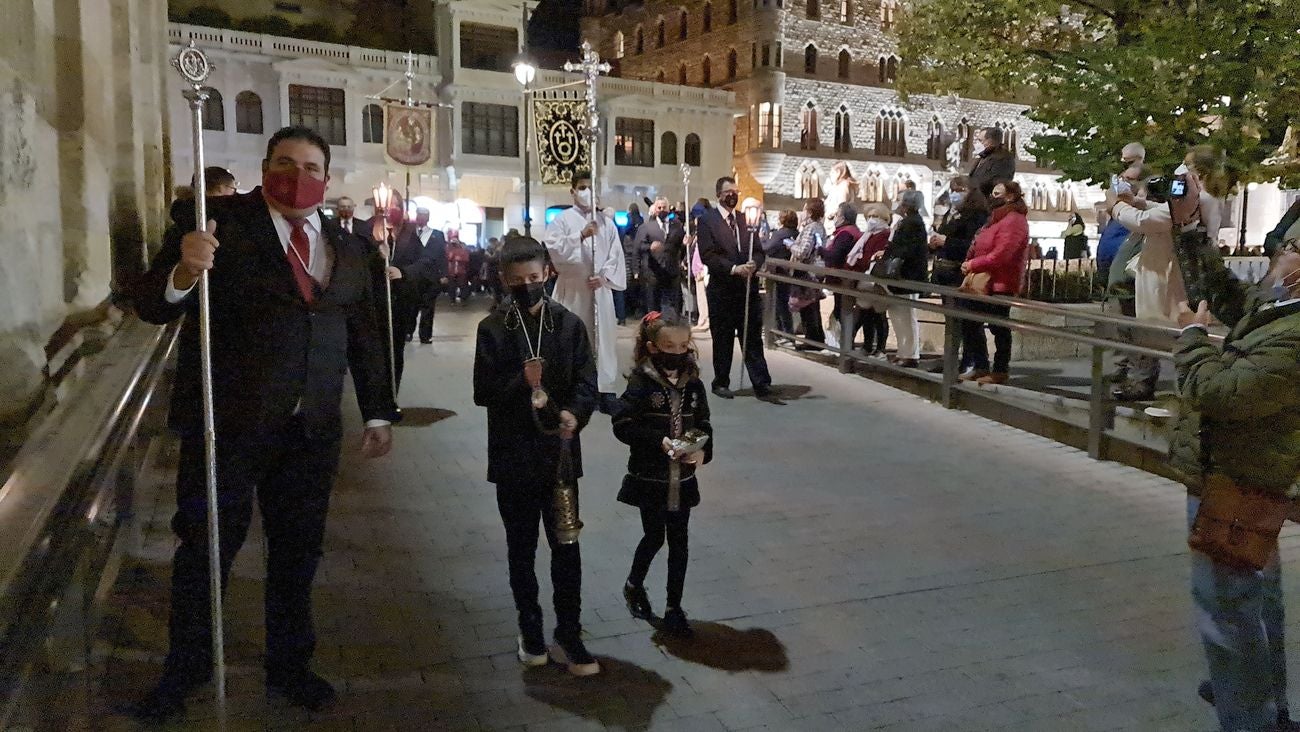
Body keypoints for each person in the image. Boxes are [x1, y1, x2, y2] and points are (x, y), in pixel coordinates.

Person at [131, 126, 398, 721]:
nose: (296, 175)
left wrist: (378, 411)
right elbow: (150, 304)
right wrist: (183, 270)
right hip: (227, 426)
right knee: (206, 550)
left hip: (310, 433)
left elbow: (366, 339)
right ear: (265, 166)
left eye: (310, 166)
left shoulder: (349, 248)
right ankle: (187, 670)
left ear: (326, 179)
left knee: (298, 554)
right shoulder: (216, 224)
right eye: (284, 162)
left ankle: (290, 665)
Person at [1168, 232, 1300, 732]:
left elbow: (1223, 393)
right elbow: (1224, 291)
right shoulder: (1281, 306)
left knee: (1226, 613)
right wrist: (1190, 227)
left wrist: (1192, 339)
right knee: (1254, 601)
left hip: (1239, 480)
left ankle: (1249, 718)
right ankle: (1265, 704)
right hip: (1238, 476)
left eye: (1289, 247)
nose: (1277, 254)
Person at [472, 236, 601, 677]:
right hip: (512, 456)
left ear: (548, 273)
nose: (528, 285)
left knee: (567, 545)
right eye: (517, 280)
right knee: (521, 547)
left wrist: (574, 413)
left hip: (559, 457)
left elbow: (587, 383)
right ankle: (530, 627)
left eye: (534, 277)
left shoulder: (568, 325)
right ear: (505, 281)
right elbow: (482, 392)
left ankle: (570, 630)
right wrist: (519, 381)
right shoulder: (492, 328)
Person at [613, 311, 713, 639]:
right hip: (651, 479)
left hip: (682, 480)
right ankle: (633, 584)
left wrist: (702, 450)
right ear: (653, 346)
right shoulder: (641, 381)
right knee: (655, 537)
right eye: (669, 345)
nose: (677, 351)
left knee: (680, 543)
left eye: (684, 345)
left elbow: (704, 425)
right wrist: (659, 441)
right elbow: (623, 424)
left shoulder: (694, 384)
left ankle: (674, 607)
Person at [543, 170, 628, 403]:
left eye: (590, 187)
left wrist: (603, 276)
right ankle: (571, 388)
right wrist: (580, 236)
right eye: (582, 187)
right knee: (570, 337)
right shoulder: (561, 220)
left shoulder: (606, 223)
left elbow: (615, 255)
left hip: (599, 289)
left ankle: (604, 389)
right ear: (572, 191)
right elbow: (553, 249)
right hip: (572, 289)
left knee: (603, 340)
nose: (587, 192)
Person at [696, 177, 772, 399]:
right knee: (723, 338)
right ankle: (721, 381)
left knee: (752, 337)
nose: (733, 195)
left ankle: (761, 382)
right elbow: (708, 254)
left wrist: (753, 264)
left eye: (735, 191)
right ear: (719, 194)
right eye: (729, 192)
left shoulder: (744, 220)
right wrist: (732, 268)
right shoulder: (707, 221)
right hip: (723, 289)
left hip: (746, 289)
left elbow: (757, 250)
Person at [959, 180, 1030, 385]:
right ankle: (981, 365)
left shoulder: (1015, 220)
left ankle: (1000, 370)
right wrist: (969, 261)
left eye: (997, 193)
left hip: (1000, 283)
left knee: (999, 327)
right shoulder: (994, 219)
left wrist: (974, 264)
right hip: (982, 281)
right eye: (992, 193)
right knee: (970, 322)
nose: (993, 196)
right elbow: (981, 244)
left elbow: (1003, 254)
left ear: (1010, 196)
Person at [875, 196, 928, 367]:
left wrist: (890, 253)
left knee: (905, 316)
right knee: (899, 316)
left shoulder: (912, 223)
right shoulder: (910, 221)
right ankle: (903, 352)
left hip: (907, 276)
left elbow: (905, 249)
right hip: (905, 275)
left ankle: (910, 354)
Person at [849, 205, 893, 357]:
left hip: (877, 280)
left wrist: (865, 259)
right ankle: (867, 345)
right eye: (869, 216)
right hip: (865, 278)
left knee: (879, 314)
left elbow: (877, 256)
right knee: (866, 313)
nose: (871, 220)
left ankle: (880, 347)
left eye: (875, 216)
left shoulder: (886, 235)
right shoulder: (868, 235)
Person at [788, 199, 828, 352]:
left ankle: (812, 339)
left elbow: (804, 251)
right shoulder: (820, 227)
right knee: (813, 305)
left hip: (808, 270)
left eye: (804, 210)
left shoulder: (811, 228)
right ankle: (817, 338)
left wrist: (790, 244)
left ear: (810, 212)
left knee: (808, 306)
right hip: (816, 270)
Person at [635, 197, 684, 316]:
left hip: (671, 271)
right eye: (659, 207)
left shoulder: (676, 225)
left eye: (664, 207)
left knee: (673, 304)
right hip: (653, 271)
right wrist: (650, 246)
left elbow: (679, 246)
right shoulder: (646, 226)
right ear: (655, 209)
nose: (662, 210)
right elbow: (639, 245)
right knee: (653, 306)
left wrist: (684, 244)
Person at [763, 210, 800, 338]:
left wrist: (762, 240)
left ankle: (784, 333)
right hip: (794, 273)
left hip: (780, 272)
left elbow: (767, 248)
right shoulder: (797, 233)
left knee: (781, 304)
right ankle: (786, 333)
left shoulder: (779, 235)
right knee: (786, 304)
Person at [968, 126, 1017, 197]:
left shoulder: (1003, 159)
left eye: (980, 140)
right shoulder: (984, 156)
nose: (976, 143)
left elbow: (997, 182)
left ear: (990, 141)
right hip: (975, 200)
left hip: (987, 202)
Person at [822, 161, 859, 226]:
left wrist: (831, 214)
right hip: (834, 222)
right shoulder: (838, 186)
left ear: (838, 172)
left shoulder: (843, 186)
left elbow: (842, 206)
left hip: (837, 223)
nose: (830, 174)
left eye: (832, 172)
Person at [444, 229, 471, 304]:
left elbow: (466, 258)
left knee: (462, 285)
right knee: (452, 286)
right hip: (451, 271)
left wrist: (458, 257)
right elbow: (448, 257)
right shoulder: (448, 247)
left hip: (461, 270)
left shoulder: (463, 247)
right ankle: (452, 300)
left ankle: (463, 299)